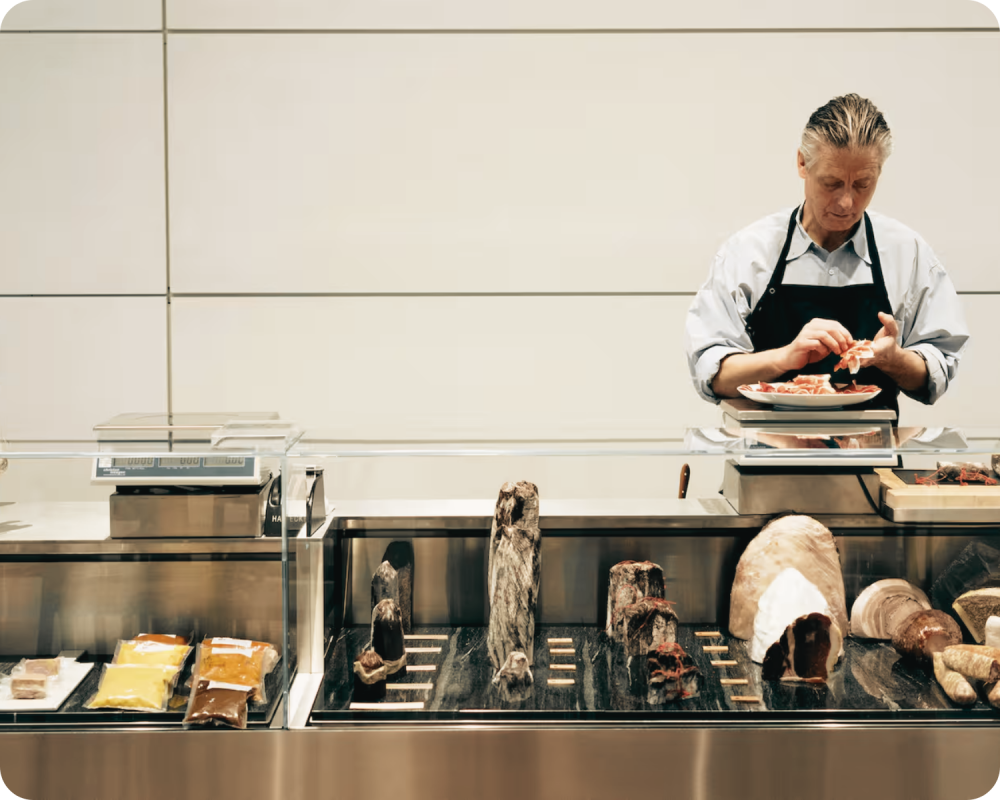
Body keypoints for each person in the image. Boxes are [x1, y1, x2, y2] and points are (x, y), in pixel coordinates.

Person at [684, 94, 969, 415]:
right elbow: (711, 374)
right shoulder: (748, 252)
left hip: (873, 457)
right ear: (802, 163)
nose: (846, 202)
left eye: (863, 184)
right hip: (764, 457)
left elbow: (938, 370)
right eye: (831, 183)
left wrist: (894, 360)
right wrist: (785, 357)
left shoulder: (908, 253)